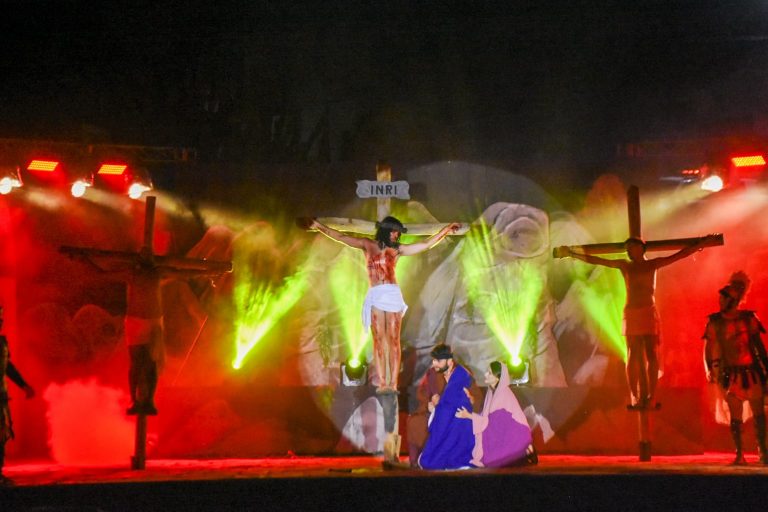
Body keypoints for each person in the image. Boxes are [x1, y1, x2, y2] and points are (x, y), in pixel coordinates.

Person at [562, 235, 715, 409]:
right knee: (632, 353)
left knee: (651, 353)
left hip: (648, 311)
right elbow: (599, 260)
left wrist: (701, 244)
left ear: (641, 248)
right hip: (632, 312)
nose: (628, 251)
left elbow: (679, 255)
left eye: (631, 248)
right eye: (627, 249)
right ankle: (634, 394)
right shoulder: (625, 265)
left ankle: (651, 395)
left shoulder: (653, 264)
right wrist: (573, 254)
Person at [310, 217, 460, 393]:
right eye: (395, 231)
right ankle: (383, 382)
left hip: (391, 294)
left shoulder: (397, 249)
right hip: (375, 294)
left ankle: (392, 383)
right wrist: (318, 226)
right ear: (387, 230)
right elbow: (341, 237)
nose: (397, 235)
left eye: (398, 233)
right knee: (380, 340)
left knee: (393, 340)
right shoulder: (367, 244)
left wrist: (446, 231)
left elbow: (425, 244)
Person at [75, 247, 227, 415]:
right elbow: (102, 274)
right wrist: (85, 260)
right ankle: (135, 401)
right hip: (135, 321)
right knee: (137, 363)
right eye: (143, 256)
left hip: (152, 321)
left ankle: (148, 401)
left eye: (148, 256)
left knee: (151, 363)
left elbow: (183, 274)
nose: (145, 260)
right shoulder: (131, 274)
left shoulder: (157, 273)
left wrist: (208, 272)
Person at [703, 271, 768, 465]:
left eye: (723, 299)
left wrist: (766, 369)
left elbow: (758, 346)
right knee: (736, 416)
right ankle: (740, 454)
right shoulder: (715, 323)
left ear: (732, 301)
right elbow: (709, 348)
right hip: (731, 374)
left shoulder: (749, 319)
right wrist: (710, 368)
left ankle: (763, 451)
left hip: (751, 372)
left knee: (759, 414)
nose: (720, 302)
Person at [456, 361, 536, 467]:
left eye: (489, 373)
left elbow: (492, 423)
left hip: (512, 436)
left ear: (498, 378)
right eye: (487, 371)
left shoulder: (503, 394)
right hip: (500, 433)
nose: (485, 374)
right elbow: (486, 418)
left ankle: (522, 452)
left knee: (493, 458)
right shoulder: (491, 392)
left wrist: (469, 416)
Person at [418, 343, 477, 470]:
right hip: (439, 415)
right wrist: (431, 404)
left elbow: (452, 406)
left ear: (450, 361)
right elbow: (422, 394)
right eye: (434, 360)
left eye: (438, 361)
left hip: (458, 422)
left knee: (430, 460)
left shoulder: (460, 377)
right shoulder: (434, 374)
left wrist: (436, 408)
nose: (434, 364)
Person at [0, 307, 34, 486]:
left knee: (2, 434)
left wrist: (23, 385)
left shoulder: (2, 343)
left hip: (1, 396)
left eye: (1, 319)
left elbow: (7, 366)